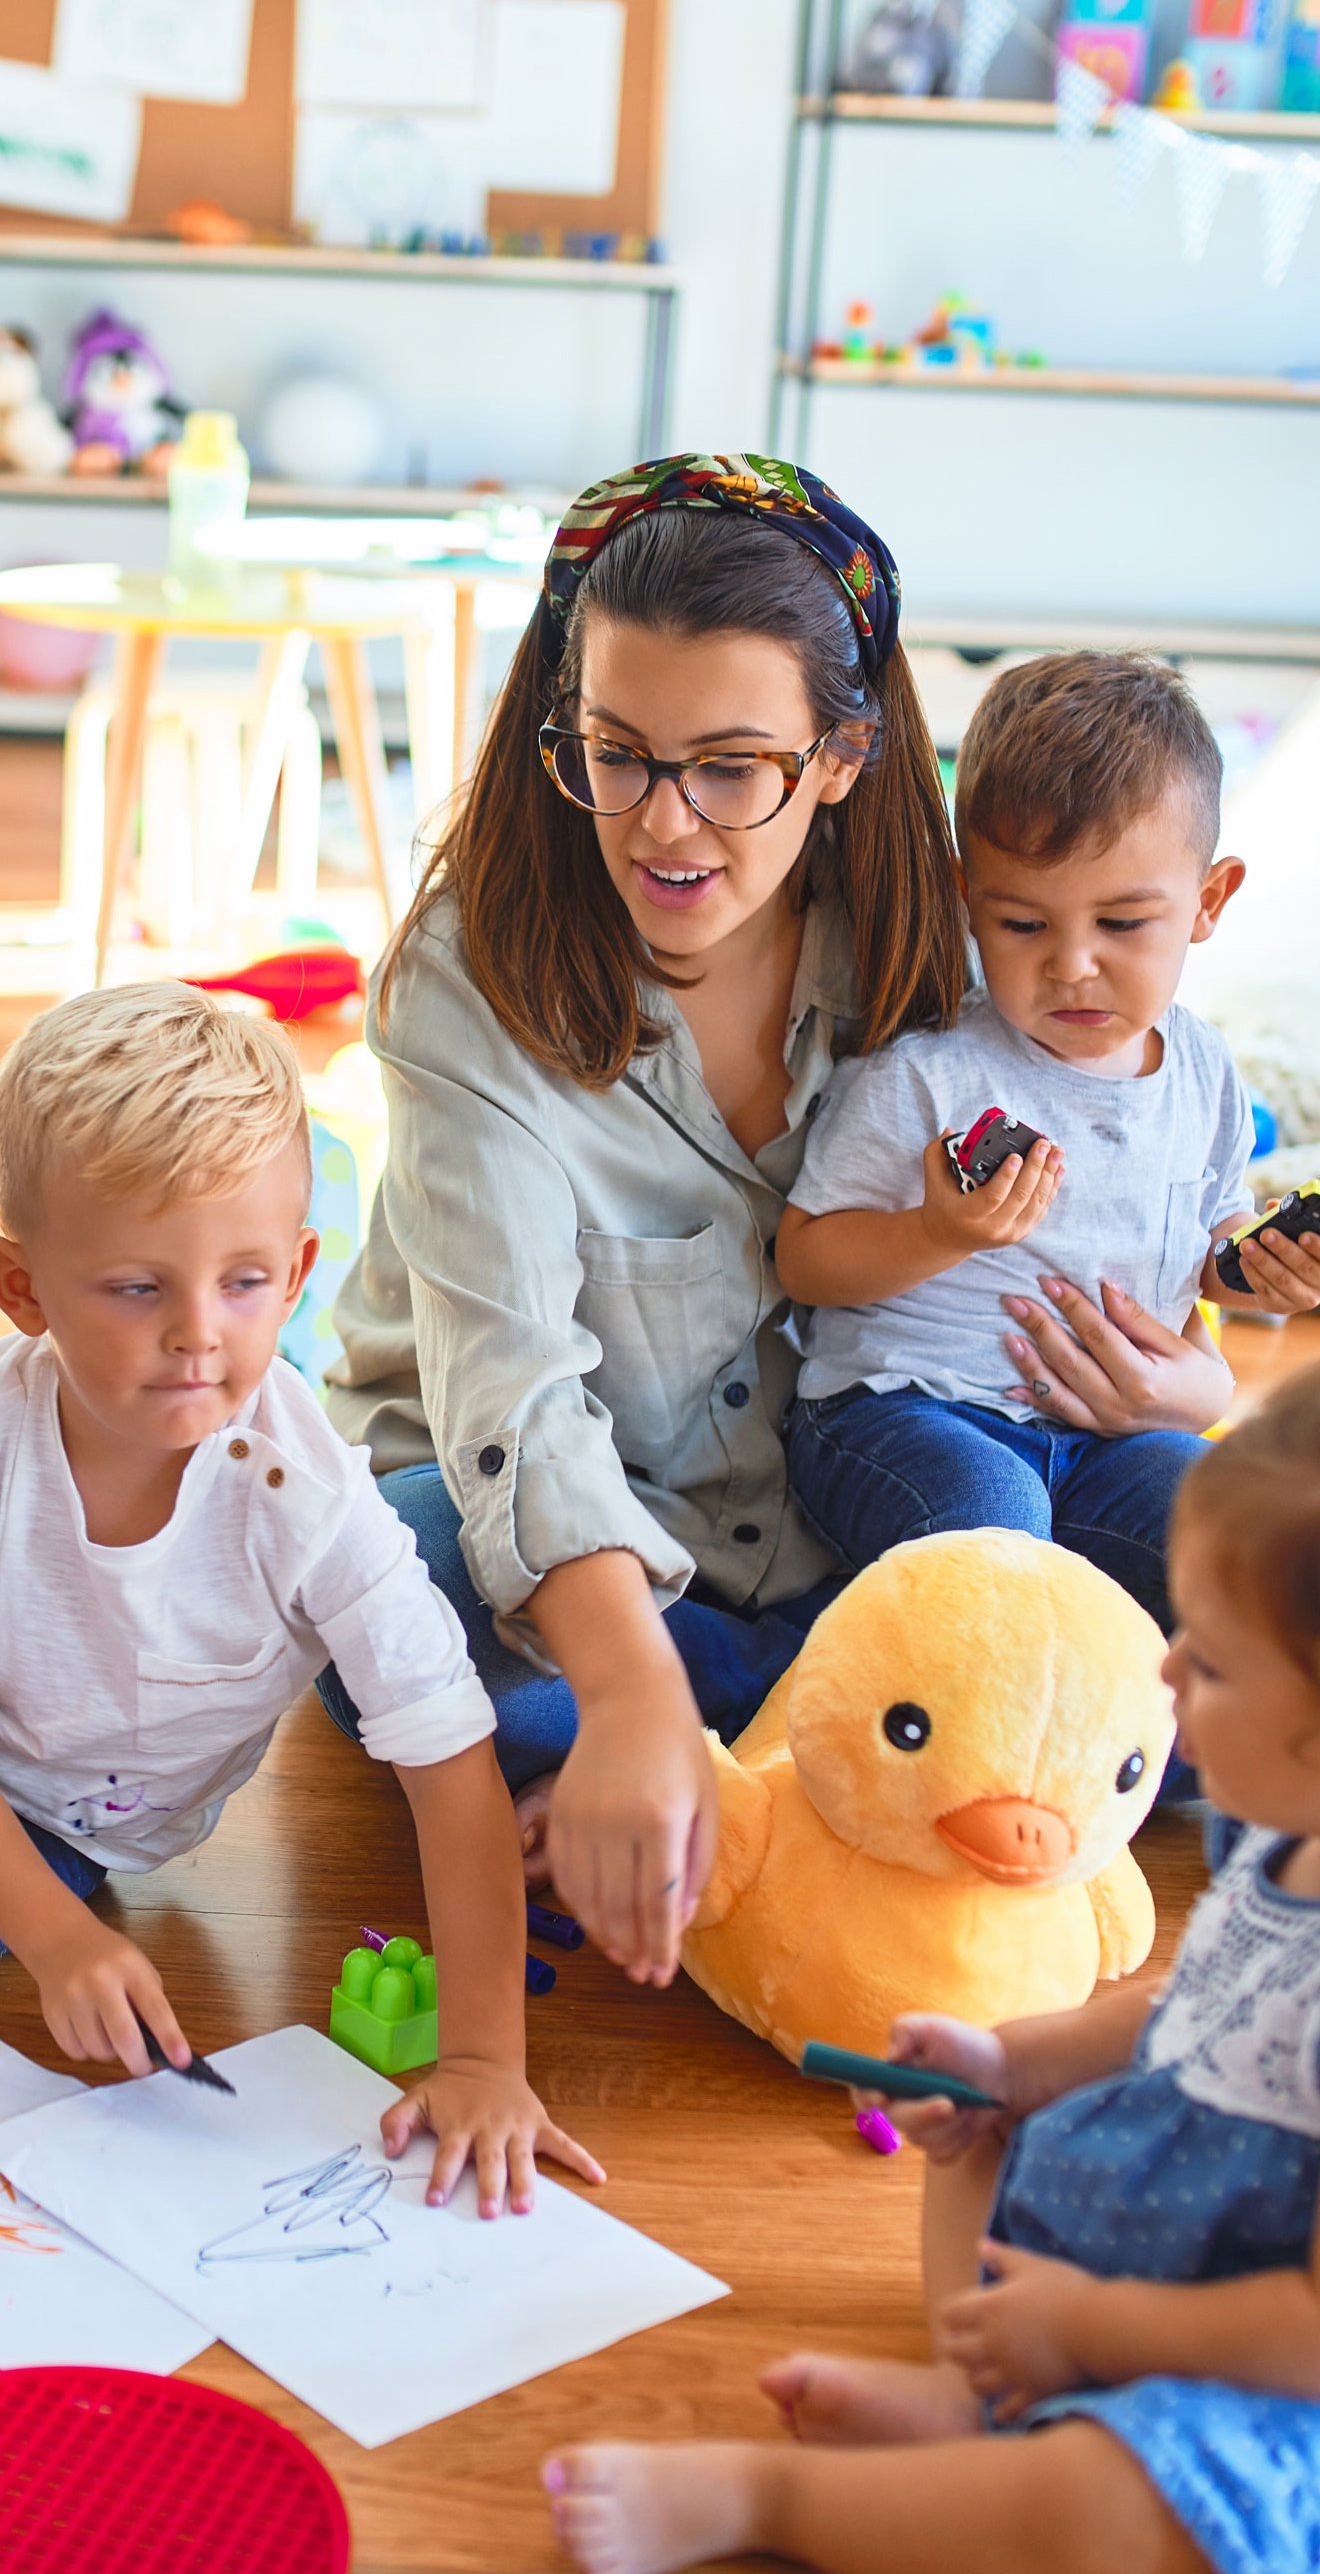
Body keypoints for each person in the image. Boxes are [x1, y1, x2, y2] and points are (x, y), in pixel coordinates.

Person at [324, 459, 1227, 1987]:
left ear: (841, 756)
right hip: (561, 1551)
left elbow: (1115, 1209)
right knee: (386, 1598)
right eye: (617, 754)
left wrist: (1195, 1381)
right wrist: (629, 1704)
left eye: (733, 766)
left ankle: (791, 1750)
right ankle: (822, 1749)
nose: (666, 828)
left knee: (1232, 1623)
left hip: (840, 1519)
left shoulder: (964, 946)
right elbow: (513, 1399)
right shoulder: (464, 982)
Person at [543, 1364, 1320, 2574]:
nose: (1167, 1681)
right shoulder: (1273, 1834)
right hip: (1152, 2264)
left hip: (1251, 2369)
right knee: (981, 2131)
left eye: (1216, 1666)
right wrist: (1019, 2065)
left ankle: (776, 2502)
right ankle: (988, 2405)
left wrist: (1097, 2329)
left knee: (1103, 2517)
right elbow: (1196, 2017)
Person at [0, 984, 601, 2219]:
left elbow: (452, 1769)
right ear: (23, 1292)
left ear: (299, 1276)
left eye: (245, 1282)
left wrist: (485, 2059)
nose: (196, 1335)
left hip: (76, 1842)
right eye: (134, 1288)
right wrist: (57, 1942)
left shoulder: (310, 1502)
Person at [779, 651, 1320, 1645]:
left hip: (1106, 1441)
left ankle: (1156, 1749)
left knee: (1238, 1541)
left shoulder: (1201, 1068)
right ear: (967, 896)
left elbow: (1203, 1238)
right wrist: (939, 1233)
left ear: (1208, 901)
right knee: (992, 1537)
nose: (1072, 965)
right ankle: (798, 1667)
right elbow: (806, 1258)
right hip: (906, 1411)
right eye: (1022, 922)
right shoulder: (930, 1066)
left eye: (1122, 922)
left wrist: (1259, 1268)